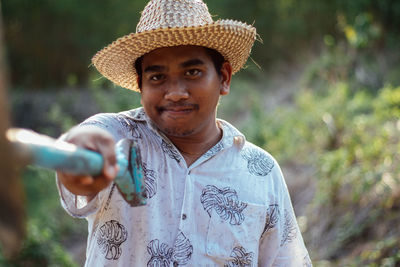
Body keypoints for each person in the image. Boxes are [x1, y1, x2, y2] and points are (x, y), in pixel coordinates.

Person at [57, 0, 312, 266]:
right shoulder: (118, 136)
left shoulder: (261, 172)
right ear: (140, 85)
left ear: (224, 77)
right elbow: (81, 153)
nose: (176, 92)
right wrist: (83, 153)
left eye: (192, 72)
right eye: (157, 77)